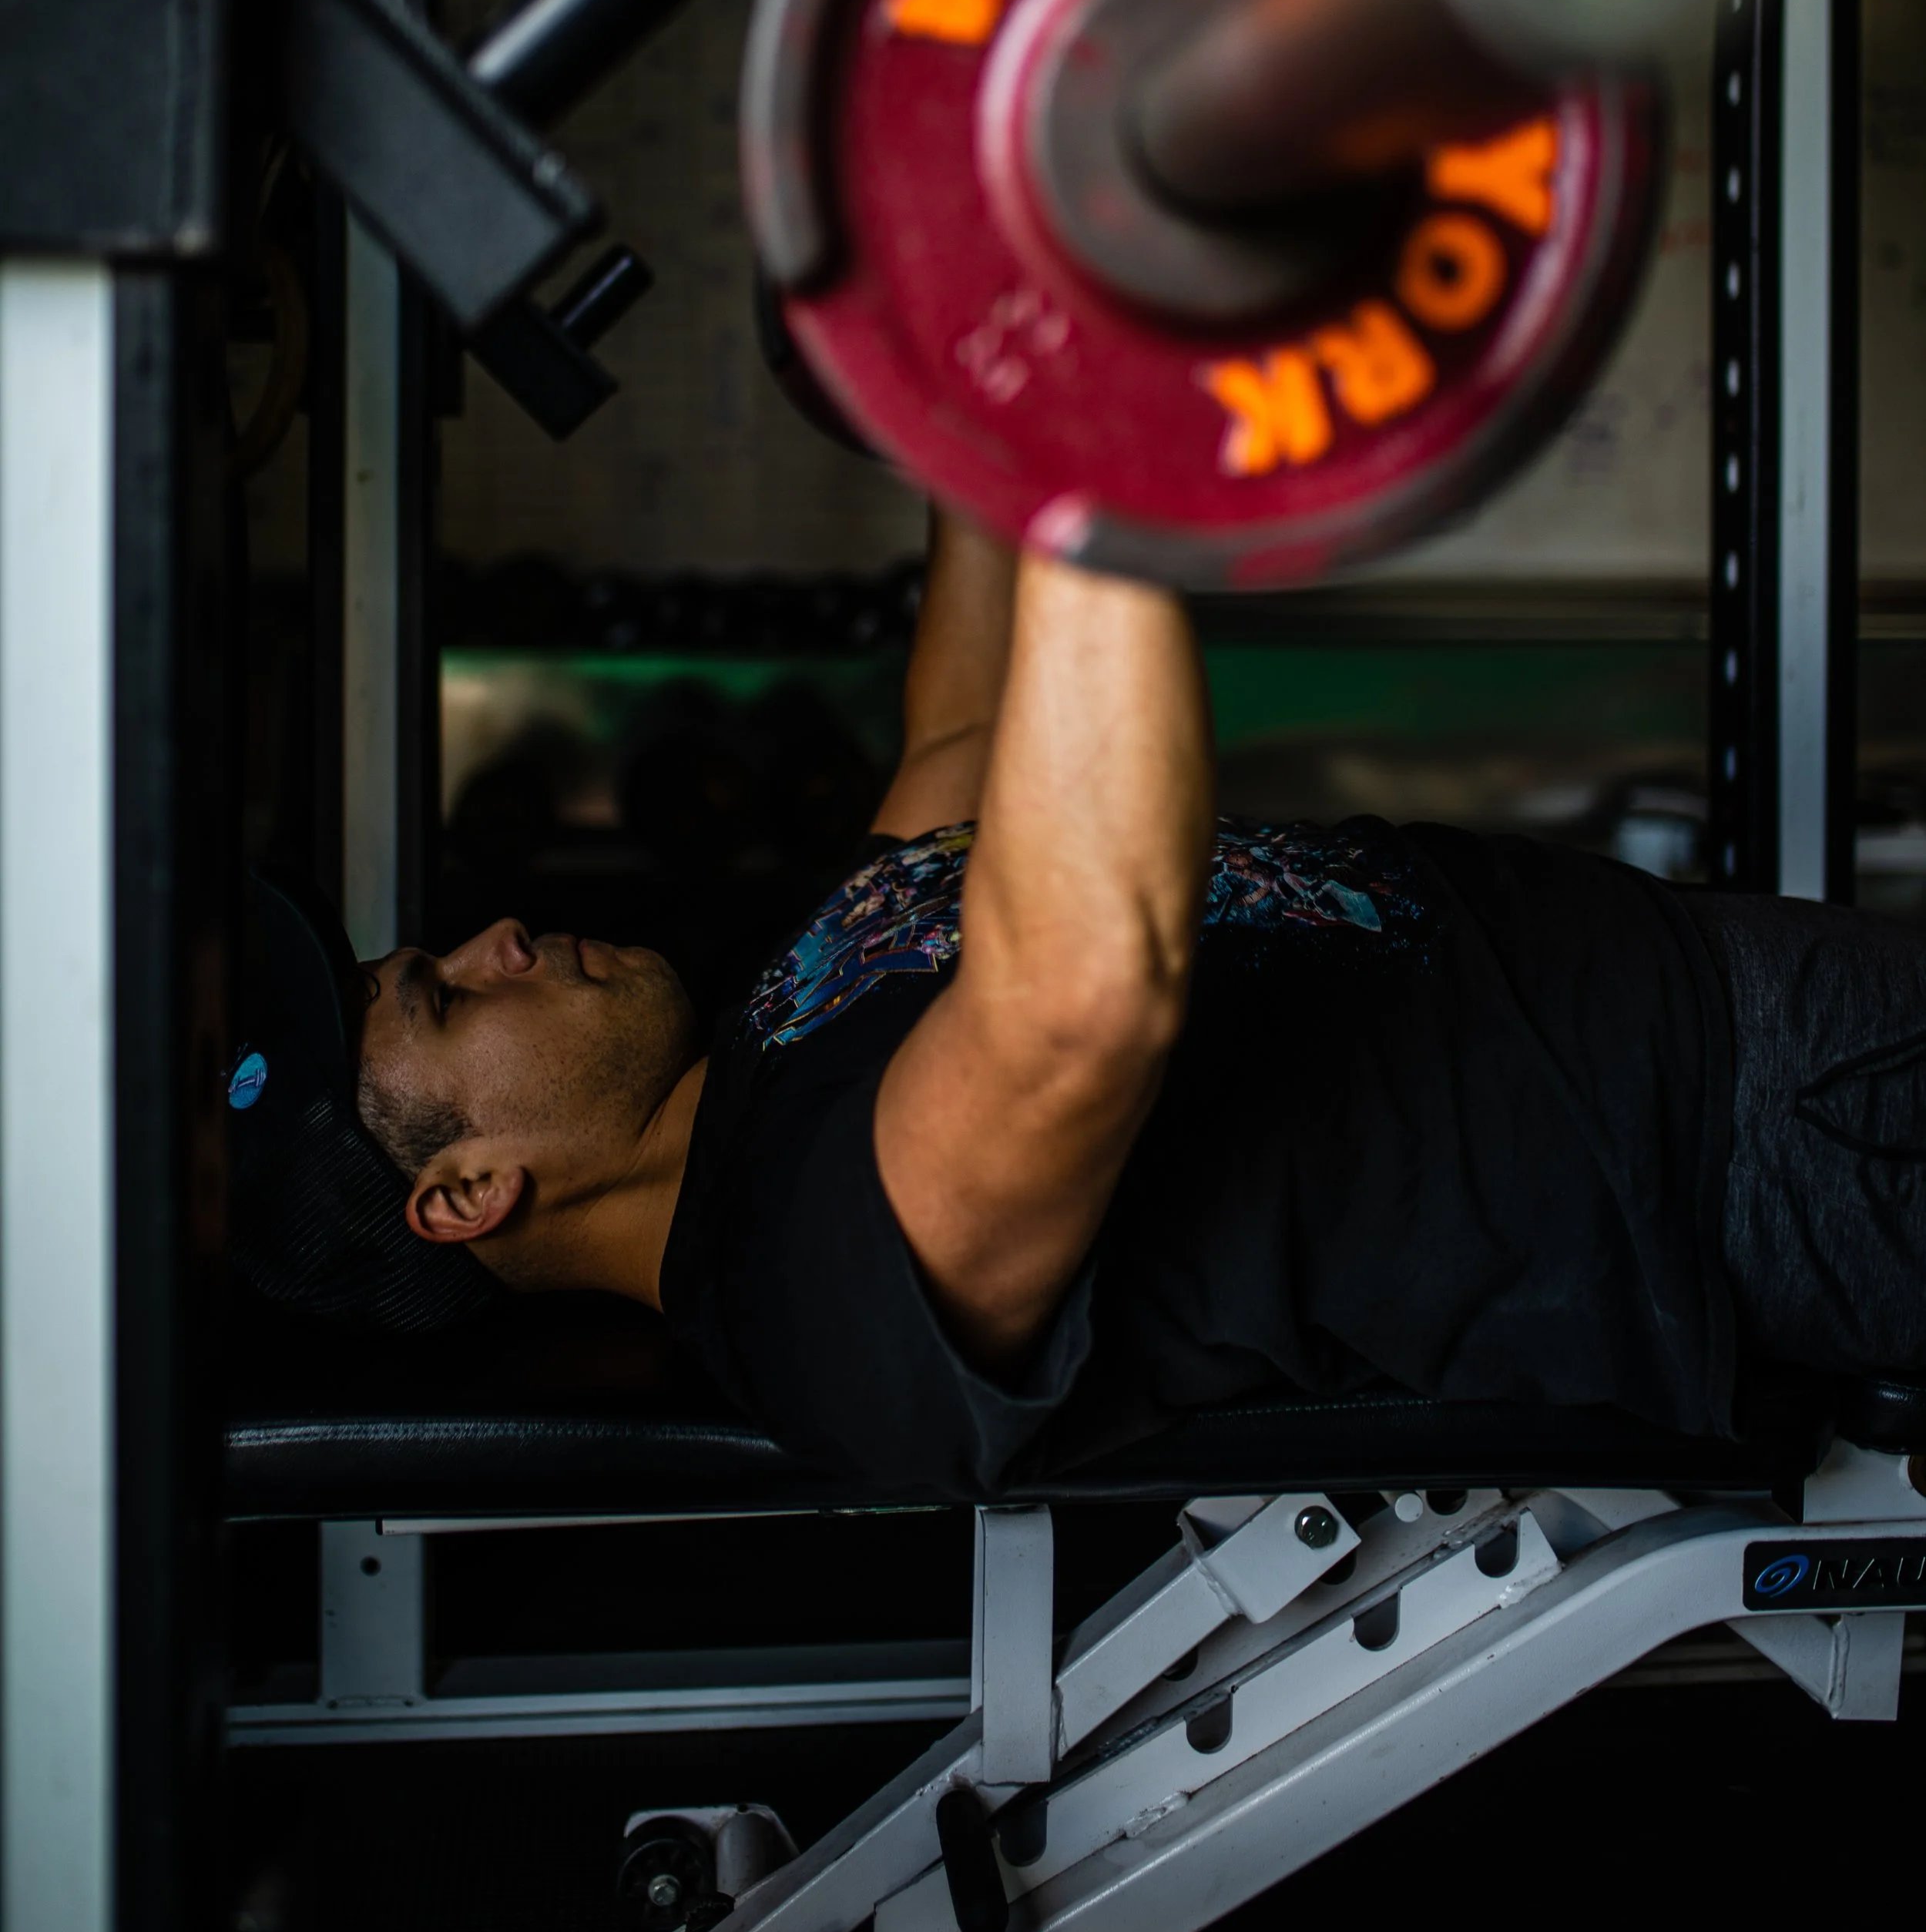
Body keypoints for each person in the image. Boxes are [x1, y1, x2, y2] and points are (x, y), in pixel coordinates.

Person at [232, 512, 1925, 1494]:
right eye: (444, 1000)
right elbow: (1082, 999)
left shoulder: (762, 1060)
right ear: (466, 1196)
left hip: (1701, 986)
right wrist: (1116, 453)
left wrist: (997, 393)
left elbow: (960, 750)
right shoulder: (811, 1281)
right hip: (1743, 1141)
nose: (499, 936)